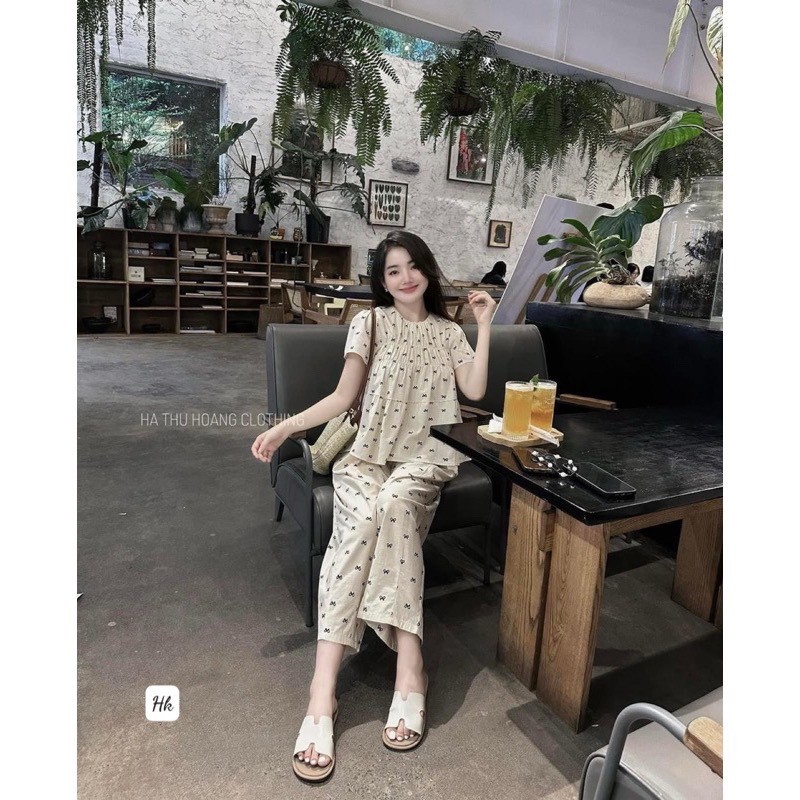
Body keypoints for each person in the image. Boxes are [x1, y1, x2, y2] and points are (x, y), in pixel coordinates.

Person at [251, 230, 495, 782]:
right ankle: (322, 692)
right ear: (382, 281)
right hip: (365, 457)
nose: (405, 278)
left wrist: (483, 325)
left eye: (413, 266)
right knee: (359, 524)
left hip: (426, 458)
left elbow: (475, 391)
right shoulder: (370, 323)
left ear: (428, 271)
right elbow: (343, 397)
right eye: (392, 270)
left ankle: (410, 668)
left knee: (395, 506)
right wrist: (287, 427)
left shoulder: (448, 333)